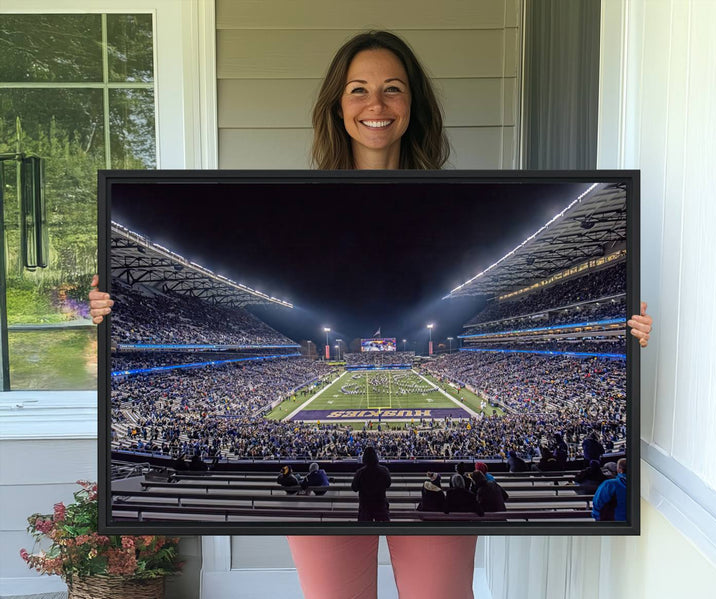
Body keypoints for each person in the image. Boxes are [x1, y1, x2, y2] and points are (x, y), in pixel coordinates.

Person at [90, 29, 653, 599]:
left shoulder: (452, 203)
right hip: (332, 488)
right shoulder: (298, 204)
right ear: (337, 104)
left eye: (393, 89)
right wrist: (112, 311)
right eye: (358, 89)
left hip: (428, 491)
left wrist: (626, 333)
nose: (375, 105)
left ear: (414, 104)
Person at [351, 446, 391, 522]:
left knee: (365, 531)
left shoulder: (360, 472)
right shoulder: (384, 470)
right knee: (383, 531)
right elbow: (388, 484)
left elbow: (354, 488)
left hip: (365, 506)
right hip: (380, 505)